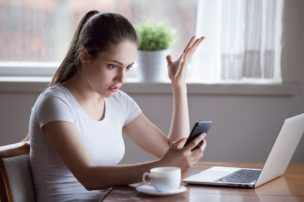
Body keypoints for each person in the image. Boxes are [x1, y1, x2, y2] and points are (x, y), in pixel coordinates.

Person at [29, 10, 206, 201]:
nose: (122, 78)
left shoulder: (119, 102)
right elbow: (89, 177)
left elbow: (174, 155)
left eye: (128, 68)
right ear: (85, 57)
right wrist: (163, 164)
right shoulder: (56, 102)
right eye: (112, 66)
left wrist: (179, 84)